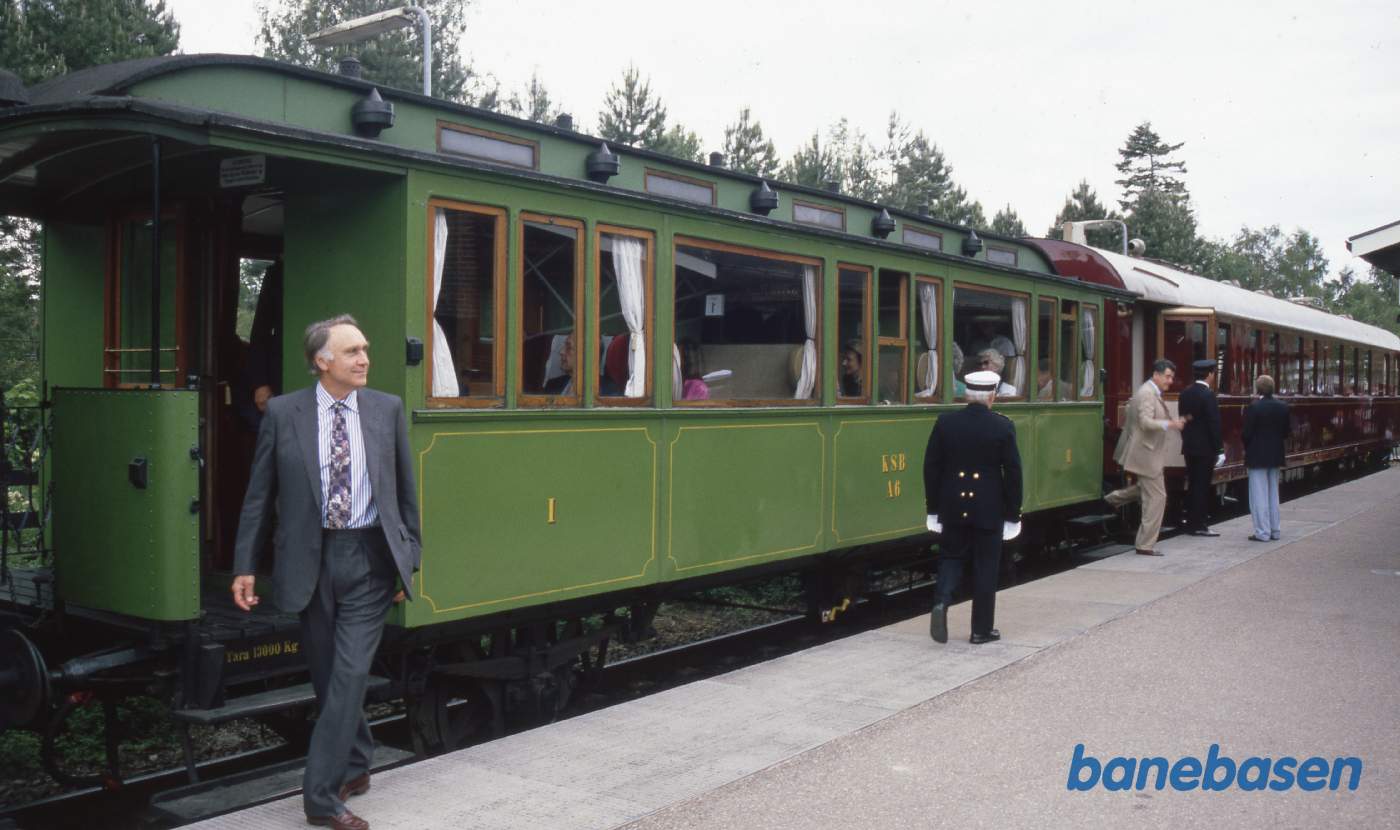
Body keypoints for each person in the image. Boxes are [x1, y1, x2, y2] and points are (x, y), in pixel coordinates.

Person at [231, 315, 421, 830]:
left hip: (369, 561)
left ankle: (320, 798)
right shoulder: (284, 412)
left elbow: (404, 490)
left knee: (350, 673)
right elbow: (258, 494)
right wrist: (245, 565)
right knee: (327, 677)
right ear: (322, 362)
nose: (365, 359)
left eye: (365, 349)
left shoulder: (386, 409)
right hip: (307, 562)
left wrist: (410, 558)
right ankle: (356, 764)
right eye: (353, 351)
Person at [923, 370, 1023, 645]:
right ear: (992, 396)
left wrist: (933, 508)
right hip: (988, 508)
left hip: (953, 505)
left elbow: (931, 467)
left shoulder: (946, 423)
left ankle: (941, 603)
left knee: (951, 558)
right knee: (985, 566)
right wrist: (1013, 514)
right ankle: (981, 630)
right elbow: (1013, 473)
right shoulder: (1003, 426)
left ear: (967, 394)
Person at [1104, 359, 1187, 556]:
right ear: (1156, 375)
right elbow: (1145, 422)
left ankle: (1110, 499)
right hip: (1146, 454)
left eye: (1172, 377)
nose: (1170, 381)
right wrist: (1170, 424)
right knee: (1158, 497)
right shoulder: (1147, 394)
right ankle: (1145, 544)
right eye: (1167, 376)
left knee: (1144, 489)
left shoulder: (1149, 392)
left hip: (1147, 453)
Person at [1178, 358, 1225, 536]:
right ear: (1210, 374)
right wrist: (1220, 449)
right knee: (1202, 486)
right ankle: (1199, 525)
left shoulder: (1185, 393)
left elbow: (1184, 421)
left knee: (1192, 485)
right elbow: (1214, 424)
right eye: (1213, 373)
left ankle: (1191, 522)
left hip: (1189, 448)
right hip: (1205, 449)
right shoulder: (1208, 395)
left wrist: (1188, 441)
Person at [1243, 374, 1289, 542]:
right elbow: (1286, 432)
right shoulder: (1283, 406)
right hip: (1276, 455)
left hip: (1257, 456)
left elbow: (1246, 434)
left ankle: (1262, 532)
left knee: (1259, 495)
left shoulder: (1254, 408)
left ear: (1258, 389)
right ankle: (1275, 530)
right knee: (1273, 494)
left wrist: (1249, 448)